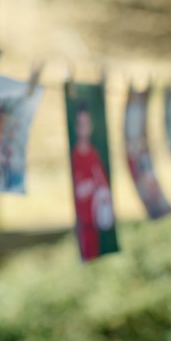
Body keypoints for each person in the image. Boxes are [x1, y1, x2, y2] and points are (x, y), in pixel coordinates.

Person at [70, 100, 115, 260]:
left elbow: (102, 182)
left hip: (96, 219)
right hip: (83, 223)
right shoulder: (75, 156)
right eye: (81, 124)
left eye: (87, 123)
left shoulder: (93, 154)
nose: (84, 128)